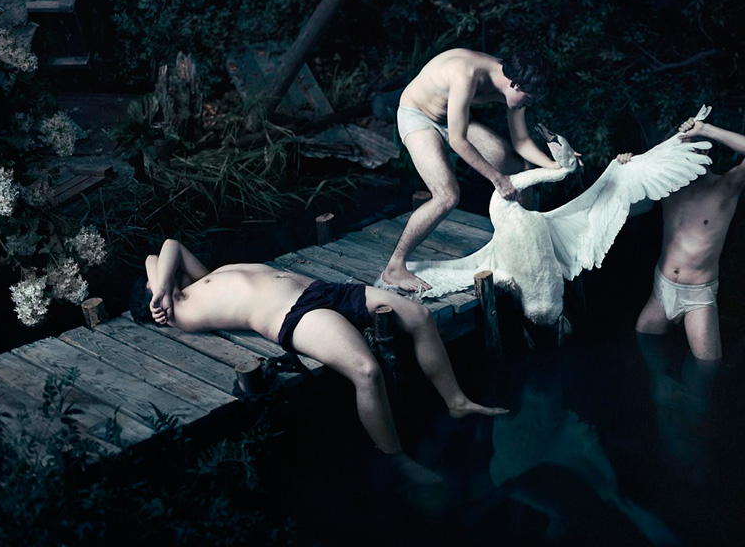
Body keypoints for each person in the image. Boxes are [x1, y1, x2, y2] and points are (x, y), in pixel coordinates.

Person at [130, 238, 506, 485]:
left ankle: (457, 401)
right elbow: (156, 260)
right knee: (366, 371)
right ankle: (398, 460)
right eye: (157, 285)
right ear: (154, 302)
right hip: (295, 314)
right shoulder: (177, 311)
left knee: (418, 316)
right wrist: (160, 294)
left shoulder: (196, 281)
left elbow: (164, 249)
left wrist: (161, 283)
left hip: (320, 289)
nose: (164, 277)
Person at [381, 48, 562, 292]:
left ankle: (523, 247)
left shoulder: (512, 81)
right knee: (447, 196)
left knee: (518, 167)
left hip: (453, 118)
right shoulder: (466, 74)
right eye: (528, 99)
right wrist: (498, 179)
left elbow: (521, 141)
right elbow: (458, 141)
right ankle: (395, 266)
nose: (528, 104)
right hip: (419, 116)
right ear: (516, 84)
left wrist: (555, 165)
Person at [618, 115, 745, 362]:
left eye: (693, 148)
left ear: (705, 151)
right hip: (661, 289)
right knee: (644, 349)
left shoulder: (725, 188)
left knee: (707, 370)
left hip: (697, 297)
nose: (686, 155)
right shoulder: (668, 188)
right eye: (682, 149)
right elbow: (624, 211)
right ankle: (662, 382)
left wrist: (705, 129)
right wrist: (625, 172)